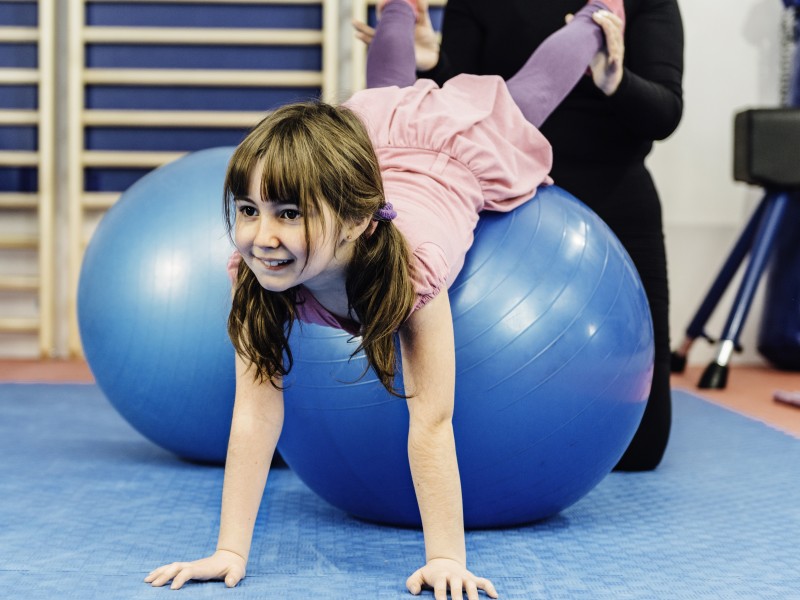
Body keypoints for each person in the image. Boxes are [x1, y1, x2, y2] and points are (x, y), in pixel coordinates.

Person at [144, 1, 625, 598]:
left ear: (357, 222)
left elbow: (432, 421)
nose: (261, 237)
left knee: (528, 97)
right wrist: (229, 550)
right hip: (381, 145)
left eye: (287, 215)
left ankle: (598, 17)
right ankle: (400, 7)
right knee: (385, 94)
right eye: (248, 210)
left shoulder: (410, 272)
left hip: (456, 153)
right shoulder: (256, 271)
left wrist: (445, 558)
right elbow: (255, 411)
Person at [356, 0, 683, 471]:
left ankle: (398, 10)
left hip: (606, 195)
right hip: (496, 187)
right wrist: (435, 61)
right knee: (402, 103)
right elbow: (462, 97)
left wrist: (615, 80)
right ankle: (402, 12)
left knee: (641, 449)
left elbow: (665, 112)